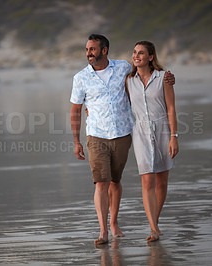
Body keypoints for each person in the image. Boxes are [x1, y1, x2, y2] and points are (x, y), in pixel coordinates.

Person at [70, 34, 175, 245]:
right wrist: (76, 140)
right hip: (96, 134)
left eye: (92, 49)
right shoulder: (80, 78)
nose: (88, 53)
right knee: (101, 182)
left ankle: (115, 223)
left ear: (104, 50)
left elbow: (146, 76)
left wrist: (168, 77)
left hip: (123, 134)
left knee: (115, 181)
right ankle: (103, 231)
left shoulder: (123, 69)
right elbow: (75, 109)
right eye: (87, 49)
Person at [126, 41, 179, 242]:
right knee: (147, 179)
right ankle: (154, 228)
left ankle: (154, 221)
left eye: (141, 53)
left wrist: (174, 137)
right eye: (134, 52)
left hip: (163, 130)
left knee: (162, 181)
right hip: (140, 131)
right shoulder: (128, 80)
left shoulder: (163, 78)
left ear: (150, 57)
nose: (136, 56)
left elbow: (171, 108)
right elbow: (114, 99)